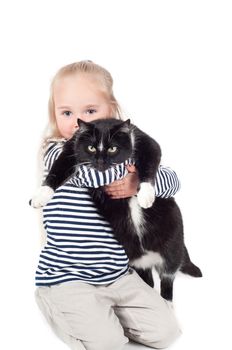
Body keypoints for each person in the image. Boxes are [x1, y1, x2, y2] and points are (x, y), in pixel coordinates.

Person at [34, 60, 181, 350]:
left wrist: (138, 181)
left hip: (117, 274)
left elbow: (172, 182)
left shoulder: (122, 147)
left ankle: (105, 313)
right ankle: (55, 302)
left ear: (111, 111)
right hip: (69, 276)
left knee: (167, 333)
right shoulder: (57, 152)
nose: (78, 123)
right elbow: (94, 172)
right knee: (108, 343)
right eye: (66, 113)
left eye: (90, 111)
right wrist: (137, 171)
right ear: (54, 114)